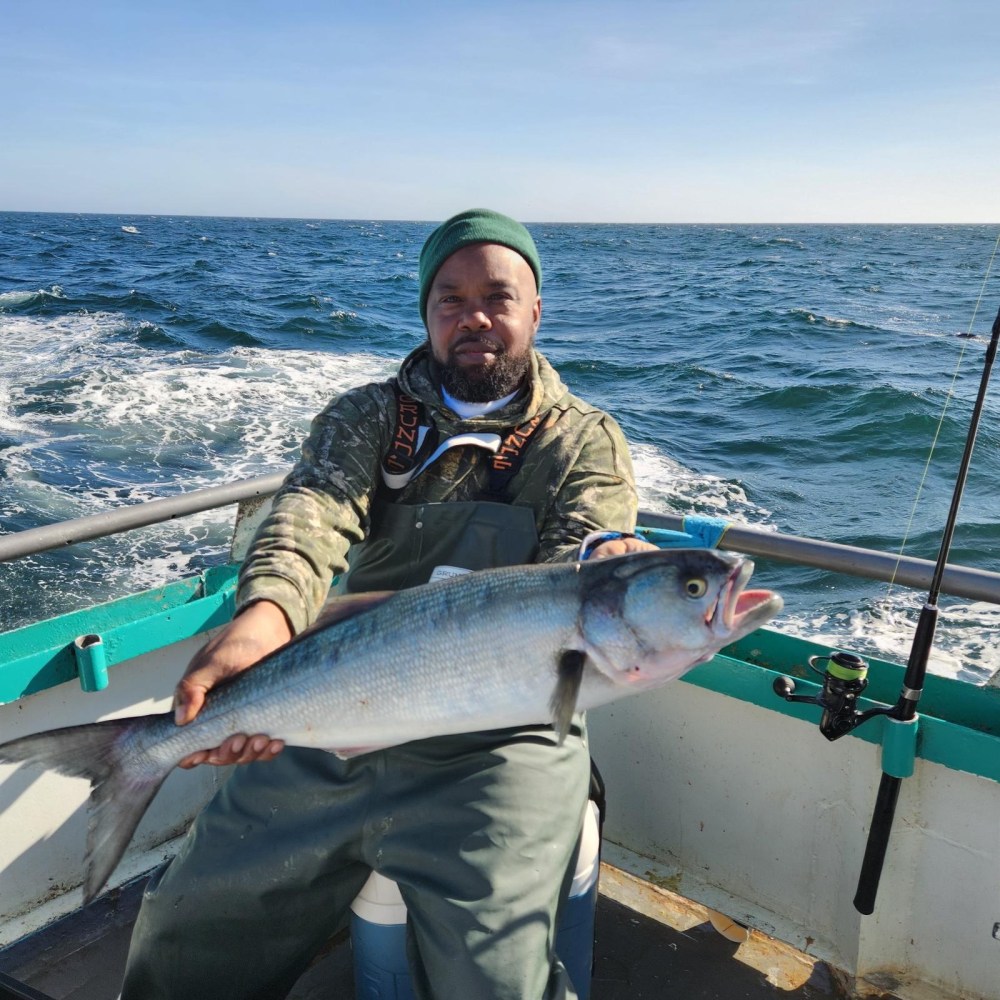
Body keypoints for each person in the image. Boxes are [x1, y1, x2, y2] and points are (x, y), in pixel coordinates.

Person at [121, 209, 653, 1000]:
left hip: (501, 745)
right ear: (426, 314)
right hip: (339, 709)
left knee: (494, 976)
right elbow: (311, 517)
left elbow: (587, 549)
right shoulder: (367, 419)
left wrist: (608, 557)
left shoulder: (581, 439)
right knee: (191, 921)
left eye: (498, 298)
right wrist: (264, 619)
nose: (474, 316)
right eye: (450, 298)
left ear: (535, 312)